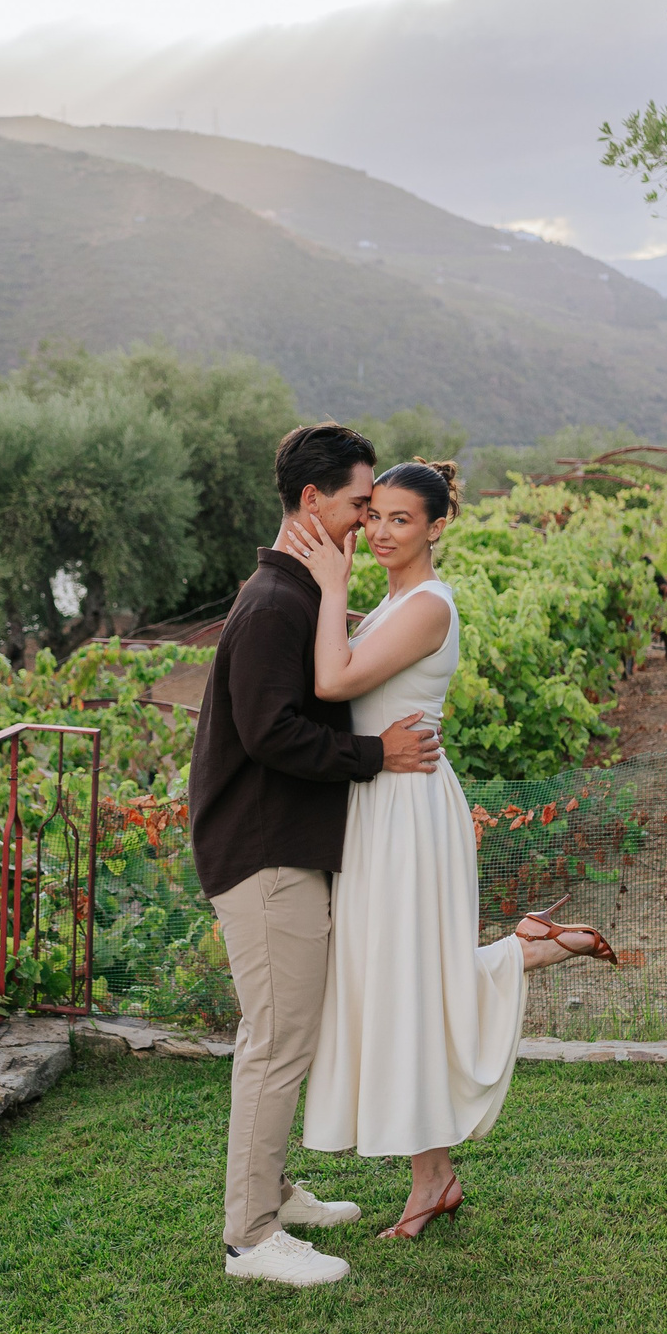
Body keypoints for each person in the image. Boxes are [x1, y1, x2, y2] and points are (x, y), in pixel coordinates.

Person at [285, 458, 621, 1239]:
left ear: (437, 527)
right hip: (380, 804)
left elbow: (333, 682)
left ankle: (525, 956)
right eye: (373, 517)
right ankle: (433, 1176)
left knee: (410, 982)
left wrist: (329, 581)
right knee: (398, 984)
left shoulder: (428, 605)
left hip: (409, 813)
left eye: (399, 520)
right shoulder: (394, 602)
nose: (377, 532)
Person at [188, 424, 447, 1289]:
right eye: (358, 506)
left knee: (290, 1032)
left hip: (288, 847)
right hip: (262, 855)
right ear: (313, 503)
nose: (368, 523)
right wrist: (379, 758)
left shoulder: (303, 592)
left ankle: (275, 1190)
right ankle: (252, 1236)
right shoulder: (275, 602)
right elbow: (271, 733)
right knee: (276, 1039)